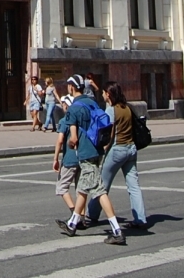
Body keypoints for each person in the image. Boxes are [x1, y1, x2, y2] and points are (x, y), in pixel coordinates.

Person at [53, 77, 125, 245]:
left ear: (71, 88)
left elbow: (73, 139)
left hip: (85, 153)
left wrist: (70, 144)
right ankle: (72, 224)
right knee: (83, 188)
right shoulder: (92, 102)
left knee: (98, 191)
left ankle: (117, 231)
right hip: (97, 149)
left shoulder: (74, 108)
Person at [88, 83, 147, 230]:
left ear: (108, 94)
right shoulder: (127, 108)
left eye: (103, 92)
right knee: (134, 186)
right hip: (131, 149)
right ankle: (140, 219)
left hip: (117, 150)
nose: (102, 95)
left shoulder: (111, 110)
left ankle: (91, 215)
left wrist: (103, 149)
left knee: (102, 185)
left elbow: (110, 133)